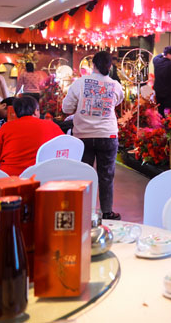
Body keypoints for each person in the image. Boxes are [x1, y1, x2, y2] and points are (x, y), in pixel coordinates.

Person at [62, 51, 124, 220]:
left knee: (83, 175)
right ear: (110, 66)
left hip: (83, 136)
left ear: (93, 65)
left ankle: (82, 211)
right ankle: (107, 212)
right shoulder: (116, 85)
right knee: (106, 175)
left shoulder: (79, 83)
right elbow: (116, 102)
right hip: (108, 135)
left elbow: (66, 108)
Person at [0, 96, 63, 176]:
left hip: (9, 177)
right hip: (41, 176)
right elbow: (64, 148)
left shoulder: (6, 127)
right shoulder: (51, 126)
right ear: (35, 111)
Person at [152, 46, 171, 116]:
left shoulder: (156, 61)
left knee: (160, 110)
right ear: (169, 54)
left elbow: (156, 57)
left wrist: (163, 53)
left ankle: (161, 121)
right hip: (169, 92)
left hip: (159, 90)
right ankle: (169, 121)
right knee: (170, 111)